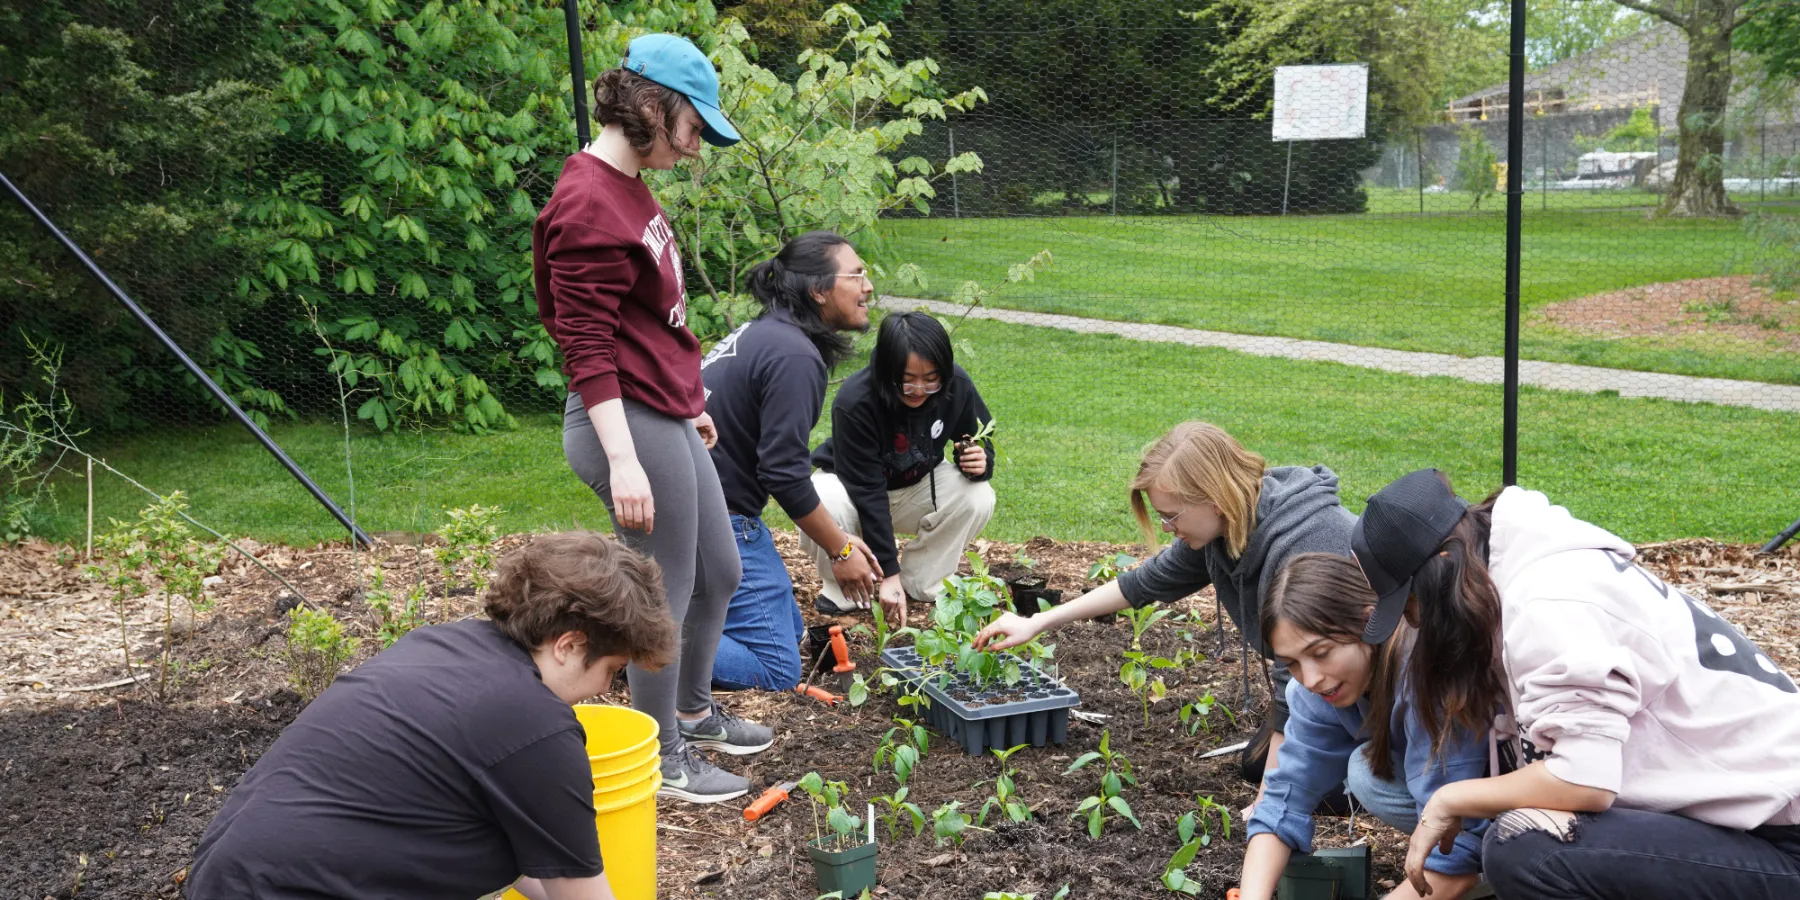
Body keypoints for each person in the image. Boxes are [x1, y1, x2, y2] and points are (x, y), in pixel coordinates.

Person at [1289, 469, 1800, 900]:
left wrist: (1452, 799)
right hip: (1732, 821)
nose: (1415, 623)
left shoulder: (1547, 608)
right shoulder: (1519, 574)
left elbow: (1586, 780)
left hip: (1778, 841)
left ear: (1443, 567)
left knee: (1526, 845)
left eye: (1411, 604)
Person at [187, 532, 677, 900]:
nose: (605, 691)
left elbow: (536, 860)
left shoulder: (446, 645)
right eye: (612, 671)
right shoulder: (534, 726)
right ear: (570, 645)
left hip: (231, 876)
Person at [535, 33, 766, 804]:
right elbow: (587, 346)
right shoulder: (587, 203)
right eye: (694, 128)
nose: (697, 148)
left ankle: (694, 711)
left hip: (660, 409)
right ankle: (662, 760)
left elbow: (650, 322)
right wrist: (627, 458)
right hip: (622, 419)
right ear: (648, 107)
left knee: (721, 571)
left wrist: (690, 404)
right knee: (659, 593)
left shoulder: (627, 185)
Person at [974, 421, 1357, 815]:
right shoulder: (1229, 526)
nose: (1166, 528)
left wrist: (1267, 808)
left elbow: (1291, 691)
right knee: (1258, 764)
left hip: (1381, 691)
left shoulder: (1304, 543)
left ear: (1215, 499)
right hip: (1326, 684)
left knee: (1336, 786)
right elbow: (1143, 583)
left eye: (1172, 516)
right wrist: (1036, 623)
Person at [1238, 552, 1491, 900]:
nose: (1310, 678)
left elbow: (1457, 851)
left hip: (1538, 798)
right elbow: (1284, 800)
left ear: (1369, 624)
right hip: (1453, 798)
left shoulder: (1427, 675)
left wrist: (1455, 869)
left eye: (1322, 652)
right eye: (1291, 663)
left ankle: (1499, 865)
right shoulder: (1316, 690)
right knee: (1366, 773)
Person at [700, 231, 883, 690]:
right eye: (856, 274)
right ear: (818, 290)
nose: (868, 287)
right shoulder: (794, 356)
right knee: (777, 668)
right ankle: (633, 638)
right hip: (716, 518)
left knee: (797, 631)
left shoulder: (767, 334)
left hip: (699, 505)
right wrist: (840, 549)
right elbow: (782, 471)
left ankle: (677, 608)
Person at [806, 311, 996, 626]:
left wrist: (980, 460)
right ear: (886, 372)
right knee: (822, 496)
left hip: (914, 487)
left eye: (931, 379)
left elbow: (976, 435)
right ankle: (845, 589)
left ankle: (920, 582)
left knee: (978, 495)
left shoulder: (957, 385)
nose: (919, 390)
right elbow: (868, 490)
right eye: (907, 381)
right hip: (854, 492)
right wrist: (888, 572)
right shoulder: (856, 401)